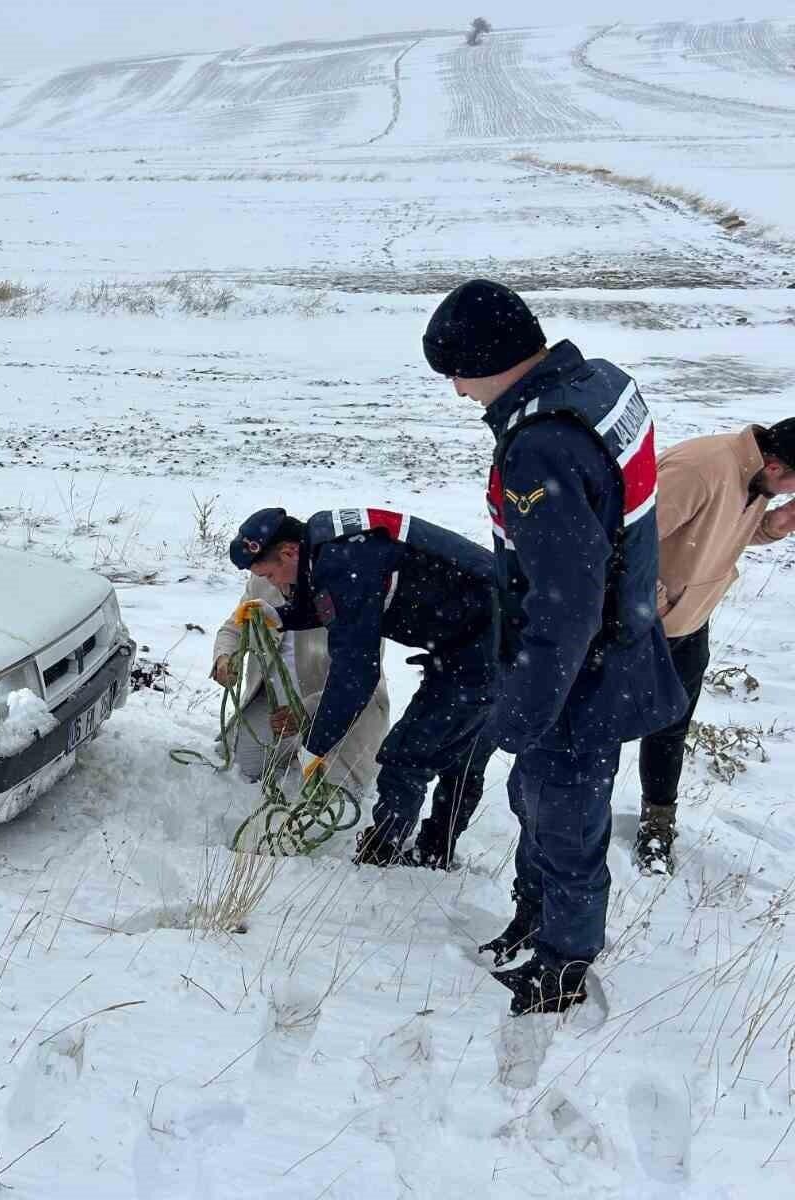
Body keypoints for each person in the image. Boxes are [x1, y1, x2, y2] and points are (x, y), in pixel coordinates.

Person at [424, 278, 686, 1016]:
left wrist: (523, 711)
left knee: (566, 818)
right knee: (535, 799)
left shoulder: (539, 447)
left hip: (581, 674)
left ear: (487, 360)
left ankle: (563, 965)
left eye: (457, 373)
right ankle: (533, 914)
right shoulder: (601, 384)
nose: (457, 392)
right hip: (618, 641)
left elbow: (565, 603)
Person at [229, 507, 498, 870]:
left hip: (489, 642)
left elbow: (356, 673)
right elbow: (335, 601)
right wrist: (284, 616)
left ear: (290, 552)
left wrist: (315, 745)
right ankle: (433, 853)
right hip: (485, 630)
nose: (275, 585)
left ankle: (384, 860)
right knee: (457, 749)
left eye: (271, 574)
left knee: (409, 756)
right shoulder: (327, 542)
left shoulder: (340, 561)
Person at [636, 419, 795, 872]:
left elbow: (723, 534)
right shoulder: (701, 468)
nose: (783, 495)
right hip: (642, 628)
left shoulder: (757, 476)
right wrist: (659, 603)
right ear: (777, 464)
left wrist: (777, 525)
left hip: (691, 623)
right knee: (602, 730)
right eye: (788, 489)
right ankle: (581, 828)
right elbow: (625, 540)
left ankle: (657, 823)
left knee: (671, 726)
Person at [210, 555, 389, 799]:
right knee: (241, 768)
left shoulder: (349, 588)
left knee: (331, 796)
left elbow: (360, 680)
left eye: (270, 574)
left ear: (290, 556)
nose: (267, 581)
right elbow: (234, 627)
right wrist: (224, 658)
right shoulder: (263, 579)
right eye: (262, 575)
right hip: (274, 704)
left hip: (338, 709)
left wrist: (305, 711)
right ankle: (290, 753)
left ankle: (309, 756)